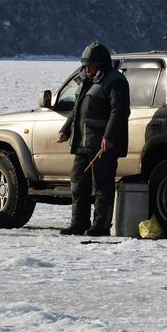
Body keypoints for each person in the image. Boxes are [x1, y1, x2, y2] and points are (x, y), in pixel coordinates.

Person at [57, 43, 130, 236]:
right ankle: (79, 223)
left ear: (101, 65)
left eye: (91, 65)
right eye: (85, 65)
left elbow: (120, 112)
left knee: (102, 187)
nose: (87, 69)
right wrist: (66, 129)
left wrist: (109, 137)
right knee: (78, 184)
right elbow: (77, 109)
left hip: (102, 146)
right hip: (82, 143)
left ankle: (101, 226)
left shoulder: (115, 81)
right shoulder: (87, 81)